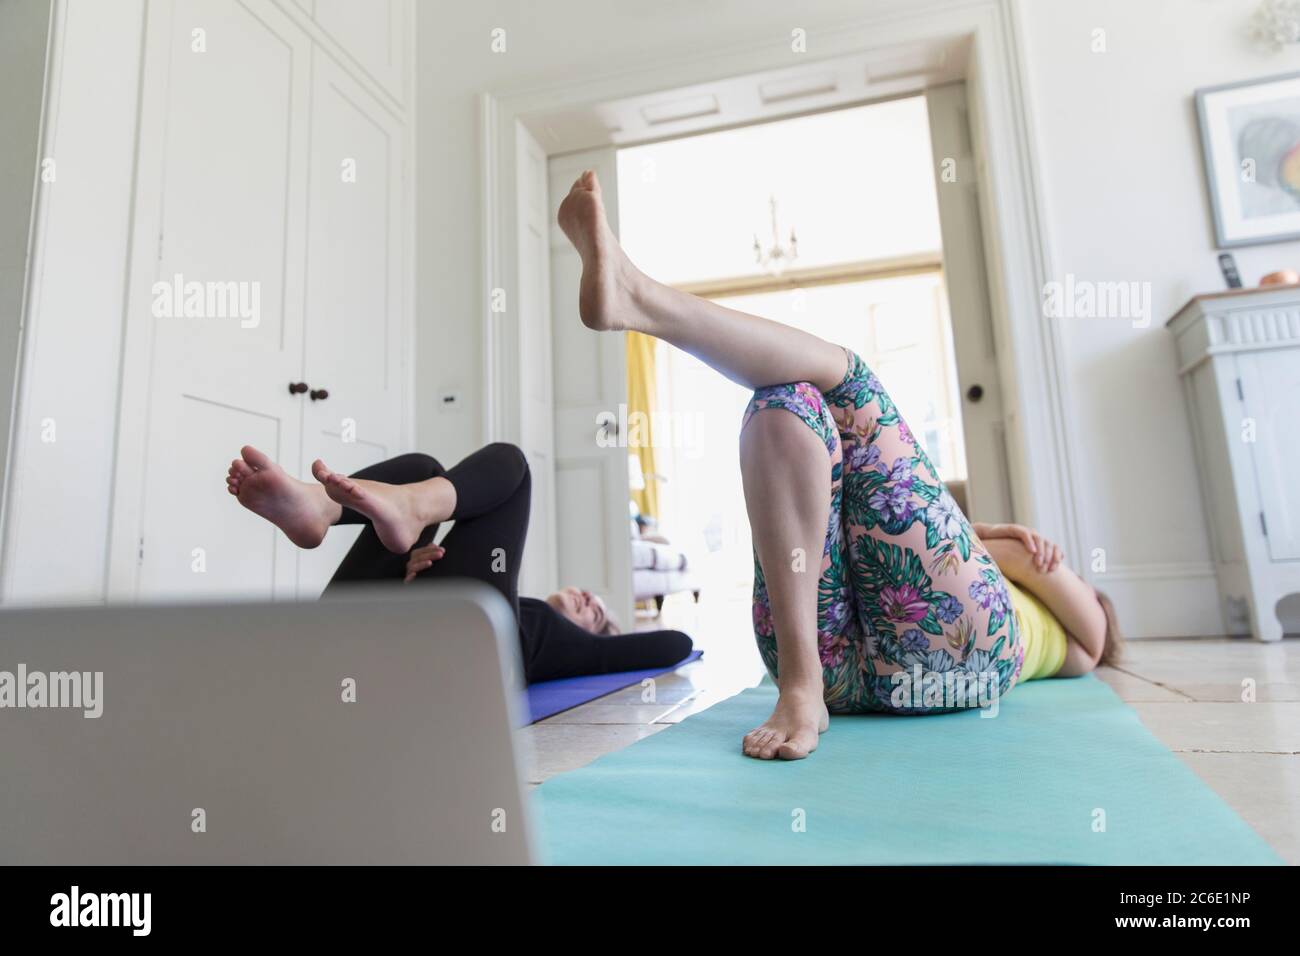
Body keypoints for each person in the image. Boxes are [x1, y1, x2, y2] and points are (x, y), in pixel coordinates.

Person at [555, 169, 1120, 762]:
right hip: (848, 674)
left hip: (943, 656)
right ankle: (803, 689)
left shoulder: (1082, 642)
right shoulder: (1033, 615)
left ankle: (643, 297)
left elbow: (1047, 583)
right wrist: (986, 541)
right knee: (786, 400)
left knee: (848, 378)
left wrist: (998, 544)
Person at [224, 441, 693, 685]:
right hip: (349, 645)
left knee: (513, 463)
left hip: (452, 669)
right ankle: (319, 508)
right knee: (421, 469)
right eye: (591, 597)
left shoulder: (562, 646)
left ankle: (346, 508)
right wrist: (404, 590)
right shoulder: (508, 599)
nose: (589, 599)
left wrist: (602, 644)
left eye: (595, 613)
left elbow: (674, 644)